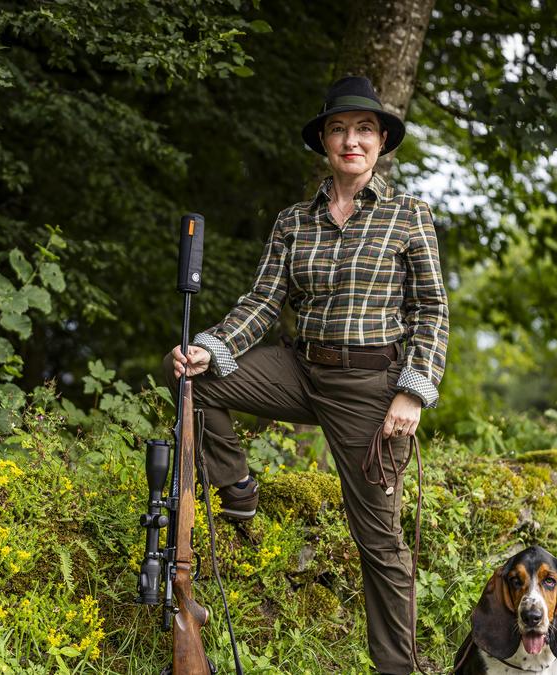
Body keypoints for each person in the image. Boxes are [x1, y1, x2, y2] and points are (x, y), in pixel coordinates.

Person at [163, 75, 448, 674]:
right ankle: (237, 489)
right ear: (323, 139)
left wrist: (413, 392)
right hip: (300, 367)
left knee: (380, 542)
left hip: (372, 387)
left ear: (380, 143)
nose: (352, 140)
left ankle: (398, 668)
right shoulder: (295, 221)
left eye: (364, 130)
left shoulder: (409, 215)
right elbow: (263, 303)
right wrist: (210, 348)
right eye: (340, 129)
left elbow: (431, 309)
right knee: (197, 378)